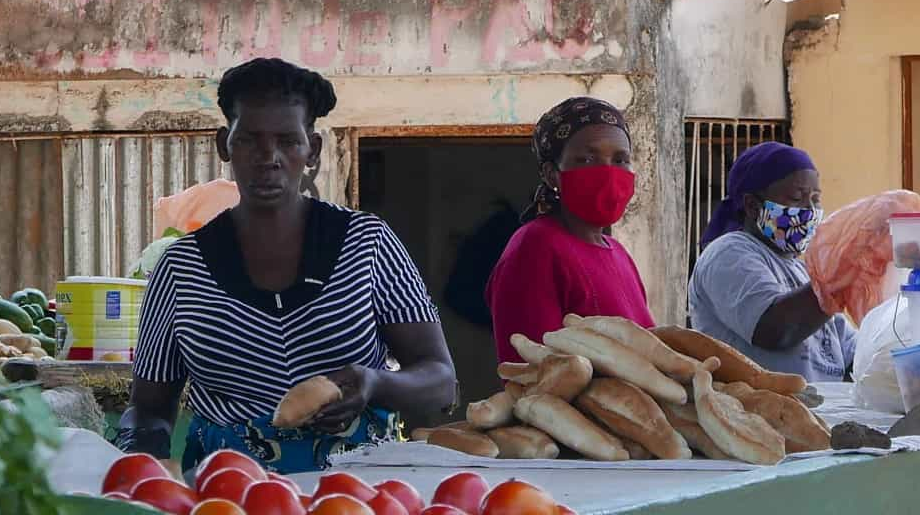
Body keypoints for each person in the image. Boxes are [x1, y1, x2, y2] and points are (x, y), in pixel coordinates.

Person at [116, 58, 456, 473]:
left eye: (287, 141)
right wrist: (138, 467)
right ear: (225, 144)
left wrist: (375, 383)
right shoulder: (181, 269)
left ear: (312, 149)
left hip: (357, 495)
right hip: (226, 495)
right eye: (249, 141)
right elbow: (148, 409)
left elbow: (440, 382)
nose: (268, 157)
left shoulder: (368, 244)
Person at [486, 97, 654, 365]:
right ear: (552, 174)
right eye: (588, 158)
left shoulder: (618, 252)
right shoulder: (534, 248)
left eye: (620, 159)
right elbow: (534, 372)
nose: (608, 172)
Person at [688, 142, 855, 382]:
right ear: (753, 206)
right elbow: (775, 331)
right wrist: (838, 278)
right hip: (757, 414)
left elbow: (851, 354)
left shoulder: (803, 271)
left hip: (818, 414)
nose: (809, 210)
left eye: (815, 199)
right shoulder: (728, 254)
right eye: (797, 198)